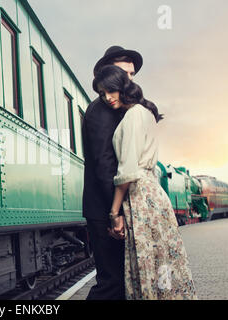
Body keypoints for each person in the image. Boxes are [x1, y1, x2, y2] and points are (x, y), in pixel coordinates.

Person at [93, 64, 198, 299]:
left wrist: (114, 212)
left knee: (146, 263)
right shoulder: (146, 112)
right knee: (163, 261)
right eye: (102, 94)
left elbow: (127, 171)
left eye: (110, 90)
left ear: (122, 86)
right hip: (153, 193)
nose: (107, 98)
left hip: (141, 196)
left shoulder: (133, 116)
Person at [82, 46, 143, 300]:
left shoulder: (119, 109)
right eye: (124, 72)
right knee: (111, 284)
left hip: (110, 206)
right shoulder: (101, 111)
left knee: (119, 283)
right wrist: (114, 213)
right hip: (105, 208)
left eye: (132, 74)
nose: (129, 78)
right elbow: (105, 166)